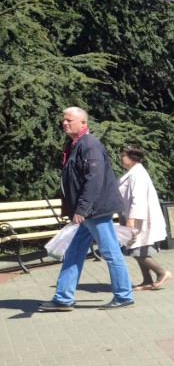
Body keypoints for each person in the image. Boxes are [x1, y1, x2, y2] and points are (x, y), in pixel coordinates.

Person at [39, 107, 134, 311]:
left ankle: (124, 296)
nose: (65, 123)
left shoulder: (89, 144)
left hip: (95, 210)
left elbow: (94, 180)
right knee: (74, 252)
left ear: (83, 123)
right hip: (86, 211)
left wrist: (82, 209)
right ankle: (63, 298)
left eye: (69, 120)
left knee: (110, 252)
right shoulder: (76, 145)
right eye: (63, 120)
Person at [117, 145, 172, 290]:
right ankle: (147, 280)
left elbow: (138, 199)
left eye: (123, 155)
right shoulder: (132, 172)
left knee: (137, 251)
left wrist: (131, 219)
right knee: (139, 250)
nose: (120, 158)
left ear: (132, 157)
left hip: (139, 219)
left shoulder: (137, 174)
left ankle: (162, 273)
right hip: (134, 217)